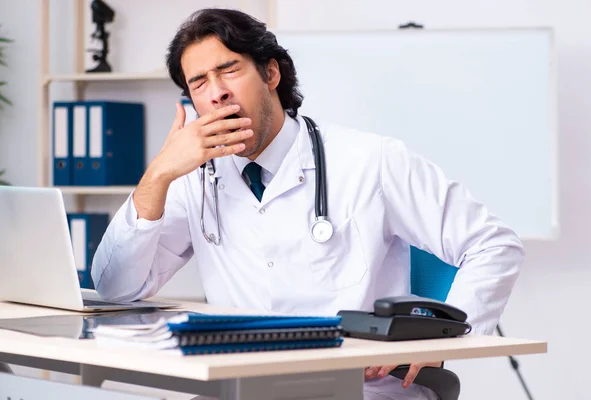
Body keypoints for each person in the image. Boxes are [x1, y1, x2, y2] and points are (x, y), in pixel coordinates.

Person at [91, 8, 525, 400]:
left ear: (271, 74)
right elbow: (116, 288)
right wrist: (159, 174)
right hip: (243, 388)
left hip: (359, 390)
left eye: (229, 70)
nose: (217, 92)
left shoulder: (370, 161)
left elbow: (493, 244)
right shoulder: (194, 180)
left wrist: (445, 341)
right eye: (199, 83)